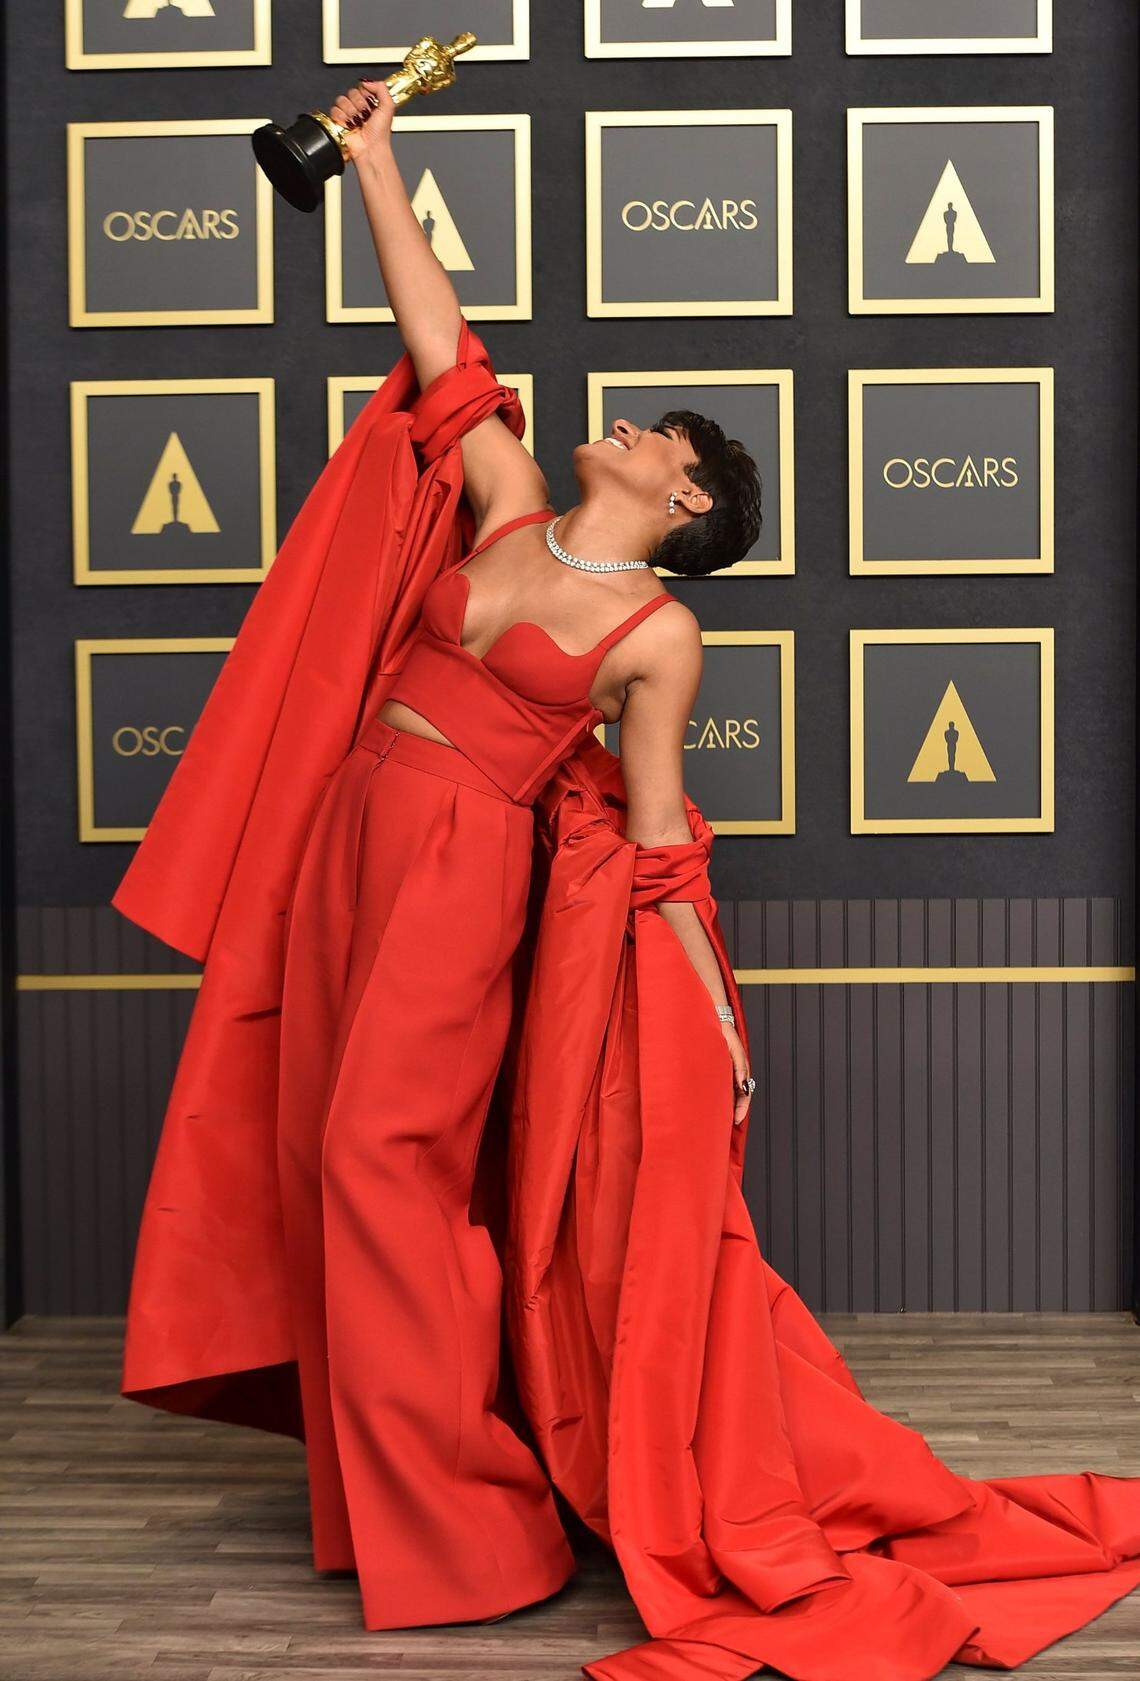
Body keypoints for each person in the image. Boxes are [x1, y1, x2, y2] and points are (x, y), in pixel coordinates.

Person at [112, 78, 1140, 1681]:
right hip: (349, 847)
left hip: (458, 887)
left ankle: (471, 1530)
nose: (641, 425)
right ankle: (399, 1503)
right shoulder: (512, 504)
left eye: (668, 437)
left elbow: (658, 837)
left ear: (692, 502)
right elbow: (445, 349)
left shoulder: (658, 634)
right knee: (321, 1153)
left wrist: (714, 1020)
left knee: (387, 1170)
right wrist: (380, 157)